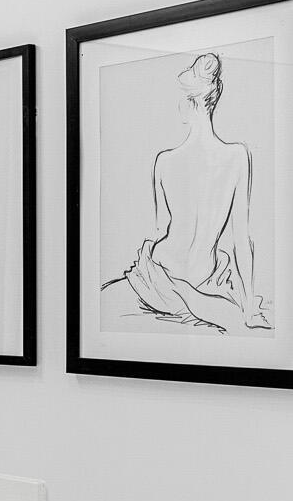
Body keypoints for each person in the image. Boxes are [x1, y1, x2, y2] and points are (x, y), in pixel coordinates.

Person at [111, 53, 269, 332]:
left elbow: (162, 229)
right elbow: (241, 239)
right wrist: (248, 308)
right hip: (202, 276)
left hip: (160, 274)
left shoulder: (164, 160)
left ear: (187, 102)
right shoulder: (237, 156)